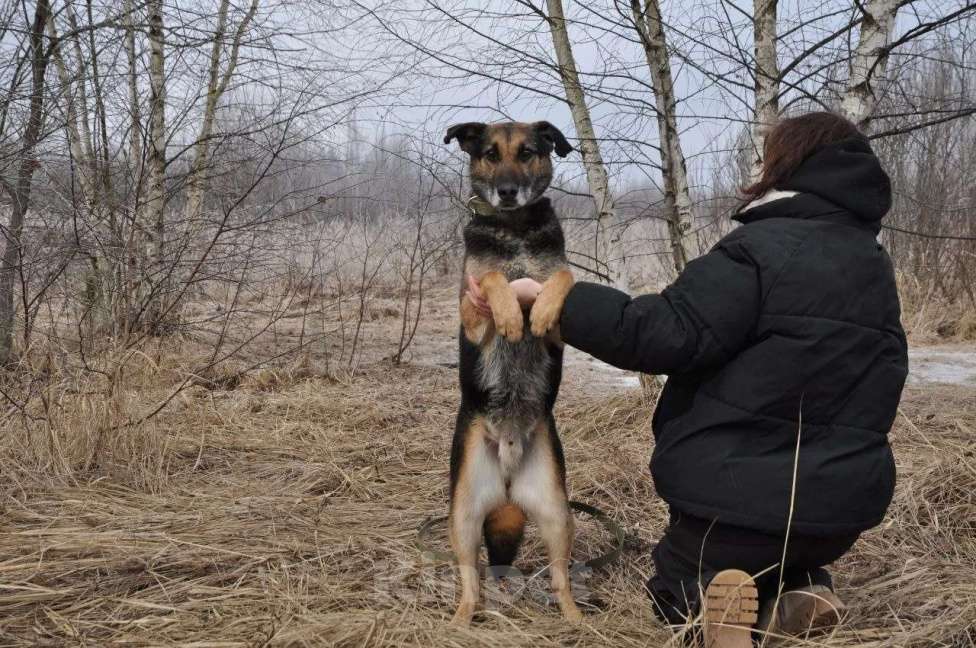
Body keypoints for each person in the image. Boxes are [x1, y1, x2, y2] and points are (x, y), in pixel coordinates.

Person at [467, 111, 909, 648]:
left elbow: (662, 333)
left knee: (674, 587)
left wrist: (557, 300)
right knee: (780, 554)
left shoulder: (761, 250)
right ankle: (799, 591)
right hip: (842, 512)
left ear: (786, 166)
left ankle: (704, 608)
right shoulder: (873, 265)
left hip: (738, 499)